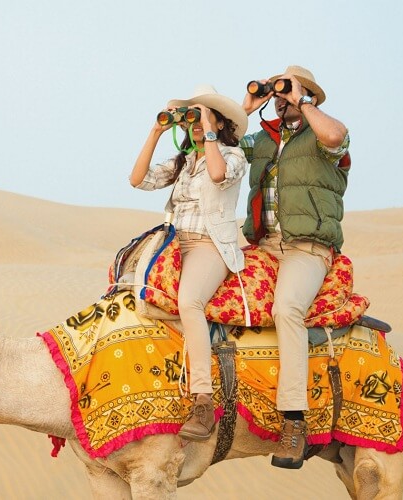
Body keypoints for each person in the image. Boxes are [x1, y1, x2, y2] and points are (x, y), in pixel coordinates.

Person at [240, 65, 350, 469]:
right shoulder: (263, 140)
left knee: (286, 308)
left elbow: (336, 137)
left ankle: (293, 420)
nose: (281, 97)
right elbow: (225, 146)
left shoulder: (324, 137)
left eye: (288, 90)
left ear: (309, 96)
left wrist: (302, 99)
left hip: (308, 248)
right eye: (278, 91)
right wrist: (248, 106)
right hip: (265, 245)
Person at [129, 85, 248, 442]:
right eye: (190, 117)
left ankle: (203, 400)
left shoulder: (232, 155)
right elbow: (137, 180)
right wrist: (156, 131)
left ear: (219, 121)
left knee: (189, 302)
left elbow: (217, 175)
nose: (193, 123)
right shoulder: (183, 162)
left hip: (210, 245)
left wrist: (208, 129)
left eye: (201, 114)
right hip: (173, 244)